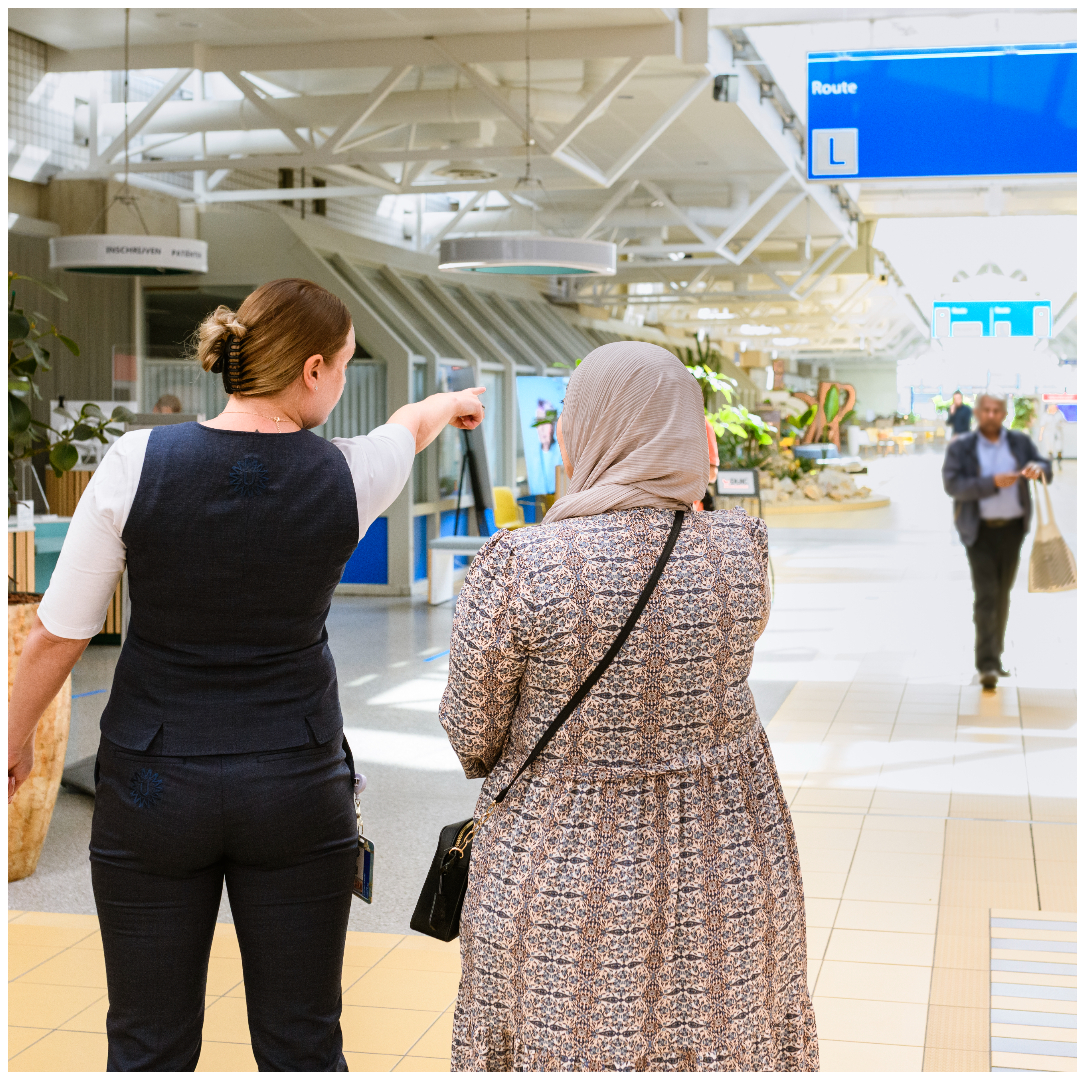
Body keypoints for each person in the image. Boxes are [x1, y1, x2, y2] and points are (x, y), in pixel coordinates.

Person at [6, 278, 485, 1070]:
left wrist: (14, 737)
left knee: (146, 1042)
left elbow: (59, 634)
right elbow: (408, 427)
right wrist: (450, 403)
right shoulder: (350, 473)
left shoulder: (137, 459)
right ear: (313, 369)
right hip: (296, 785)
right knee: (301, 1040)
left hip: (152, 785)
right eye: (343, 365)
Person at [438, 342, 816, 1071]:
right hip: (731, 856)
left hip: (561, 869)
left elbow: (471, 736)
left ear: (584, 431)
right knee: (723, 1036)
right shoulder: (743, 550)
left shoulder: (522, 565)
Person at [941, 394, 1051, 689]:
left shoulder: (1019, 442)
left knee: (1003, 593)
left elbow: (1043, 464)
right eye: (986, 410)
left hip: (1013, 530)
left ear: (1004, 413)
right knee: (987, 593)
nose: (991, 415)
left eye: (997, 410)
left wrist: (1039, 470)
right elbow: (953, 485)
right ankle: (986, 664)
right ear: (976, 413)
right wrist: (991, 483)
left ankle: (995, 656)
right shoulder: (962, 447)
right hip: (978, 531)